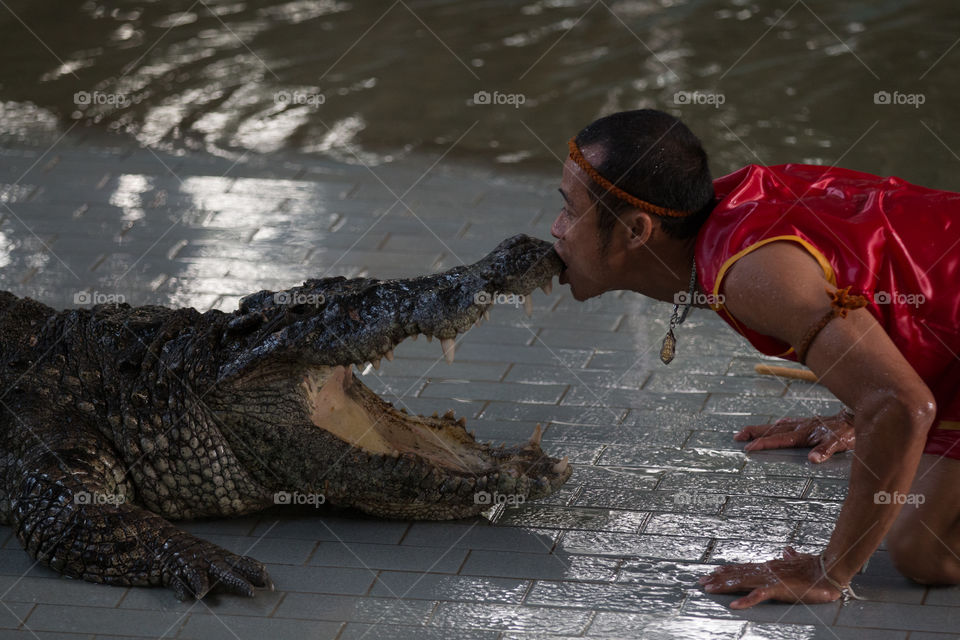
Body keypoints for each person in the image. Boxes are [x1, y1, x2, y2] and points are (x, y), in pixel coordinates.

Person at [550, 108, 960, 609]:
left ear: (637, 231)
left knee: (923, 552)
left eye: (570, 210)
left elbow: (900, 403)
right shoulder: (729, 206)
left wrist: (831, 569)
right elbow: (887, 264)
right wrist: (860, 405)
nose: (556, 228)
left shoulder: (750, 276)